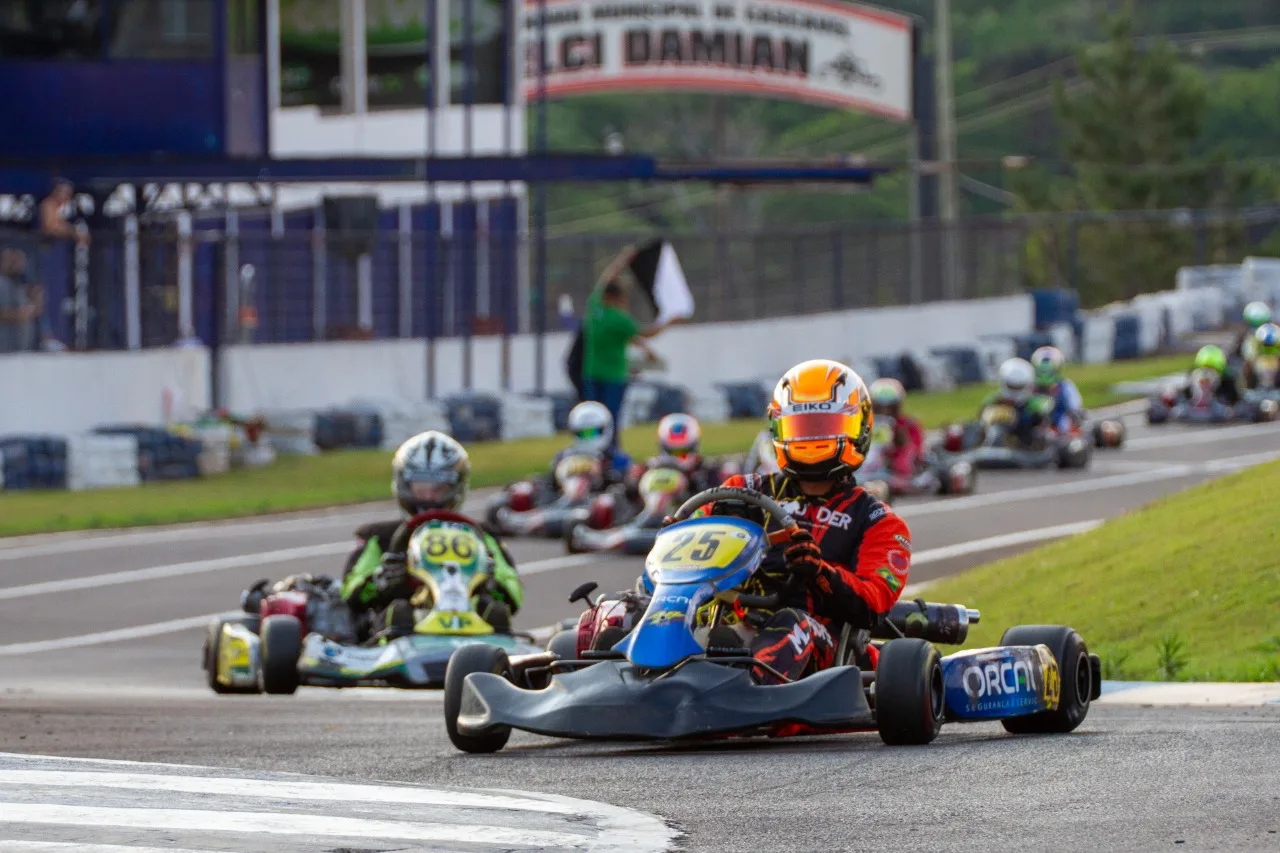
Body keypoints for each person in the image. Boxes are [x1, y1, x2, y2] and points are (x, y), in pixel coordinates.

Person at [641, 359, 912, 684]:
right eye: (803, 429)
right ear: (778, 429)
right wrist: (677, 540)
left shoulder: (875, 520)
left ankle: (745, 689)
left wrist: (820, 573)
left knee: (791, 622)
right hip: (725, 621)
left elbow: (872, 605)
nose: (812, 442)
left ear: (859, 428)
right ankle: (628, 672)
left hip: (821, 647)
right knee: (619, 610)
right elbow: (691, 537)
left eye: (825, 427)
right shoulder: (742, 490)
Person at [338, 431, 522, 638]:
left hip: (472, 628)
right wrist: (383, 580)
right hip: (399, 634)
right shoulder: (381, 538)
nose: (429, 497)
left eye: (438, 488)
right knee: (397, 612)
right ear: (404, 485)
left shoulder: (482, 537)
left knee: (492, 609)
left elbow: (513, 596)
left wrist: (489, 582)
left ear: (456, 486)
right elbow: (350, 594)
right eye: (421, 487)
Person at [580, 247, 676, 447]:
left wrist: (621, 260)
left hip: (592, 372)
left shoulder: (595, 307)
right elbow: (646, 333)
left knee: (592, 417)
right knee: (611, 418)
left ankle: (589, 449)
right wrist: (669, 321)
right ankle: (612, 452)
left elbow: (605, 279)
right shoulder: (620, 319)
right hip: (613, 376)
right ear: (616, 298)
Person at [979, 358, 1054, 447]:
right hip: (993, 444)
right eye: (1011, 386)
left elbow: (1045, 427)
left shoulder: (1037, 404)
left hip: (1027, 447)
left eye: (1018, 387)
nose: (1014, 391)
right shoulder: (992, 401)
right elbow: (980, 423)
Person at [867, 377, 924, 478]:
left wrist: (900, 441)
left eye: (890, 407)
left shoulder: (909, 425)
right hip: (869, 465)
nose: (885, 412)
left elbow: (917, 453)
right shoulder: (865, 424)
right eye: (880, 407)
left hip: (899, 468)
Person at [1029, 346, 1085, 433]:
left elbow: (1075, 408)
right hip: (1033, 427)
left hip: (1058, 427)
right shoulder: (1029, 387)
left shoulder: (1065, 386)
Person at [0, 249, 39, 354]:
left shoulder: (22, 283)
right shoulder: (2, 283)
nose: (18, 264)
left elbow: (36, 308)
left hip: (23, 348)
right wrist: (18, 315)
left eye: (20, 260)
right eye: (13, 260)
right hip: (4, 349)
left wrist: (35, 303)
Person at [1242, 323, 1280, 390]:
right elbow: (1249, 357)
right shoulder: (1254, 341)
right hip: (1259, 362)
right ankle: (1249, 386)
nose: (1268, 346)